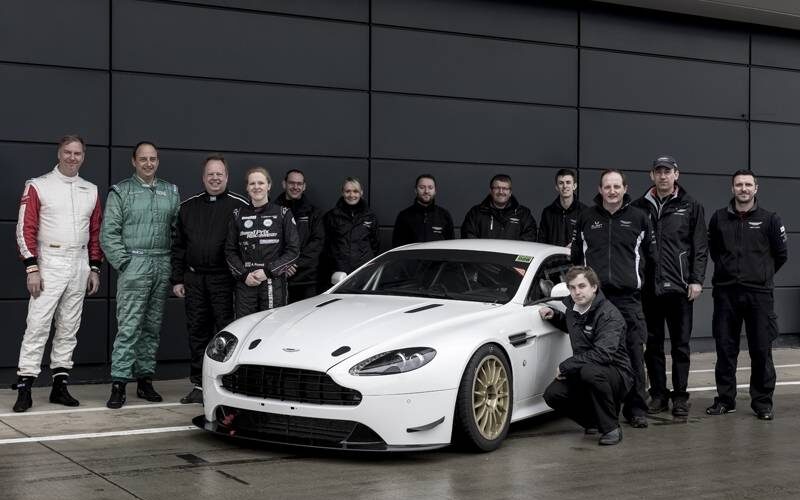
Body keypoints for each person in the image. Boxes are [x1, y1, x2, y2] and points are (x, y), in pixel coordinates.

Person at [11, 135, 103, 412]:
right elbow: (24, 228)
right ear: (59, 153)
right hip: (49, 262)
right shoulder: (38, 185)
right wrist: (32, 267)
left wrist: (94, 268)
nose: (72, 157)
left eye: (77, 153)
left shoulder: (91, 190)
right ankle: (25, 387)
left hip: (79, 262)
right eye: (68, 152)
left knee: (68, 327)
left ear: (83, 156)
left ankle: (59, 387)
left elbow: (96, 232)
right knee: (37, 325)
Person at [571, 169, 653, 428]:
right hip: (596, 301)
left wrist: (640, 284)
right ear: (600, 189)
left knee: (633, 355)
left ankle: (636, 409)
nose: (612, 191)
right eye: (607, 186)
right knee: (596, 356)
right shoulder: (586, 217)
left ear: (625, 189)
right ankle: (600, 412)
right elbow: (576, 258)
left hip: (628, 299)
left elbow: (650, 257)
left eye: (617, 186)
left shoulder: (639, 217)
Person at [101, 141, 180, 409]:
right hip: (135, 264)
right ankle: (119, 383)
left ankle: (145, 380)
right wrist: (125, 264)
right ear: (134, 161)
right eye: (143, 159)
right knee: (129, 326)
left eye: (153, 159)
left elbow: (177, 231)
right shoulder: (121, 191)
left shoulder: (170, 191)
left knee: (152, 327)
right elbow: (109, 234)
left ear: (158, 161)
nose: (148, 163)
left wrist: (172, 264)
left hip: (162, 263)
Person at [706, 169, 787, 420]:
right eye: (739, 184)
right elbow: (715, 251)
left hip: (759, 295)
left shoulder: (770, 219)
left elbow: (781, 254)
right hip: (726, 293)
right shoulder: (719, 218)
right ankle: (725, 400)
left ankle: (762, 403)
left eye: (748, 185)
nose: (743, 189)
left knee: (761, 350)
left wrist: (760, 274)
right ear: (732, 188)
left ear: (756, 188)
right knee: (725, 348)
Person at [632, 156, 707, 418]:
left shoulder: (691, 205)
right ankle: (659, 395)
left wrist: (696, 280)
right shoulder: (639, 206)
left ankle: (680, 397)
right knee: (653, 345)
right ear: (651, 175)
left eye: (668, 171)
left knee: (680, 345)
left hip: (680, 288)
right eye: (659, 172)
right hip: (649, 289)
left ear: (677, 174)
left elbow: (700, 247)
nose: (663, 176)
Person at [171, 154, 248, 404]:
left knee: (227, 332)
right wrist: (177, 279)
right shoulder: (188, 207)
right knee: (197, 332)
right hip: (194, 280)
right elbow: (179, 246)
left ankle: (226, 384)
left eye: (219, 174)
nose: (215, 178)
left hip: (224, 281)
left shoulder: (240, 206)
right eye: (210, 174)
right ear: (203, 177)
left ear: (227, 176)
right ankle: (199, 385)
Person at [541, 266, 633, 446]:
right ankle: (593, 421)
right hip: (584, 367)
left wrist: (566, 365)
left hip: (616, 373)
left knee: (590, 373)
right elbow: (577, 329)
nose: (577, 292)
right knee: (553, 395)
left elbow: (603, 353)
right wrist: (555, 317)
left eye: (582, 286)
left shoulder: (609, 314)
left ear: (594, 287)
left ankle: (611, 428)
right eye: (572, 287)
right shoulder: (572, 309)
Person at [225, 167, 299, 316]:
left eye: (261, 183)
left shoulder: (283, 213)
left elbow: (293, 251)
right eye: (252, 183)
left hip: (273, 283)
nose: (256, 187)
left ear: (269, 186)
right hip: (246, 283)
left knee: (272, 326)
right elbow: (229, 251)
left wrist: (268, 272)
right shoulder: (238, 214)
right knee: (243, 325)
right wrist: (244, 275)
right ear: (247, 187)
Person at [274, 169, 325, 303]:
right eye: (292, 183)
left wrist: (293, 264)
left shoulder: (314, 213)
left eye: (299, 184)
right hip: (279, 279)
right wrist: (283, 266)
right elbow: (269, 244)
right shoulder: (272, 211)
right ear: (284, 184)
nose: (295, 187)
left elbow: (316, 244)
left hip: (306, 280)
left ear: (304, 186)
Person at [324, 177, 379, 278]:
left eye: (355, 191)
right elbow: (326, 246)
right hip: (340, 273)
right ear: (342, 193)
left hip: (364, 270)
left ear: (361, 193)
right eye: (348, 191)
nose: (351, 195)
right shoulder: (331, 216)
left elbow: (375, 244)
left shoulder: (370, 216)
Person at [461, 174, 537, 241]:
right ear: (491, 191)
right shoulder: (476, 213)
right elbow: (468, 237)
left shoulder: (523, 214)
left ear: (510, 192)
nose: (501, 192)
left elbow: (529, 238)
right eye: (497, 188)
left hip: (513, 253)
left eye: (505, 188)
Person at [392, 174, 455, 247]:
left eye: (430, 187)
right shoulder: (404, 216)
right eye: (422, 187)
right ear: (416, 190)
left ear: (435, 191)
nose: (426, 191)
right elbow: (397, 247)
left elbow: (451, 245)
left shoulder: (444, 215)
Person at [538, 168, 586, 247]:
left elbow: (590, 241)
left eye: (568, 182)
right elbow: (541, 242)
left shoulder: (584, 212)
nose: (565, 186)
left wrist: (576, 246)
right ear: (556, 187)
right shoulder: (547, 212)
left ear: (574, 186)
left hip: (575, 255)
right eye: (561, 183)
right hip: (553, 255)